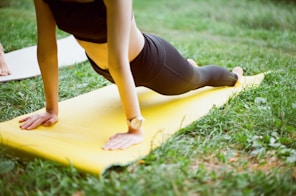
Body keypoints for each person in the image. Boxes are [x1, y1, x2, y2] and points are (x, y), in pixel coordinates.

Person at [19, 0, 243, 150]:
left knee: (196, 78)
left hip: (152, 64)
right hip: (107, 70)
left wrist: (134, 128)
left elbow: (118, 60)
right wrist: (51, 109)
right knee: (182, 74)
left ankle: (233, 76)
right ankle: (186, 65)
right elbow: (47, 51)